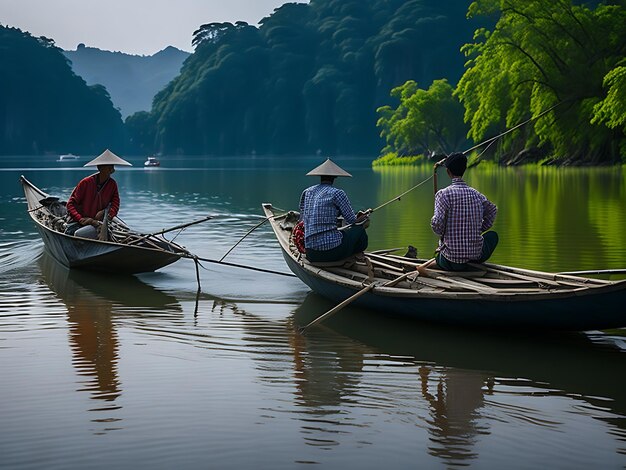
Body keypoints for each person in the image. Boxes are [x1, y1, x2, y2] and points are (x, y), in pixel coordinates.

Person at [430, 152, 498, 271]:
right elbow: (492, 210)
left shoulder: (443, 195)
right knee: (493, 236)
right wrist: (479, 228)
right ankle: (470, 263)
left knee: (439, 254)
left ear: (448, 172)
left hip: (450, 260)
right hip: (475, 256)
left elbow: (437, 225)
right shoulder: (477, 194)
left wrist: (443, 234)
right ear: (465, 169)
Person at [299, 158, 369, 263]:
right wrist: (362, 218)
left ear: (320, 176)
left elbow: (302, 218)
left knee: (345, 233)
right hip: (331, 252)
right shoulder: (337, 193)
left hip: (311, 253)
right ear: (335, 177)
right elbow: (351, 221)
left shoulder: (307, 192)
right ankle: (354, 254)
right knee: (359, 229)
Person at [65, 149, 132, 239]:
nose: (111, 169)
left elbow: (115, 204)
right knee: (77, 234)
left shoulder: (112, 184)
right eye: (108, 166)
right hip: (81, 221)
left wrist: (107, 214)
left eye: (112, 166)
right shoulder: (86, 183)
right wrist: (80, 218)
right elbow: (70, 205)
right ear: (100, 168)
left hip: (100, 222)